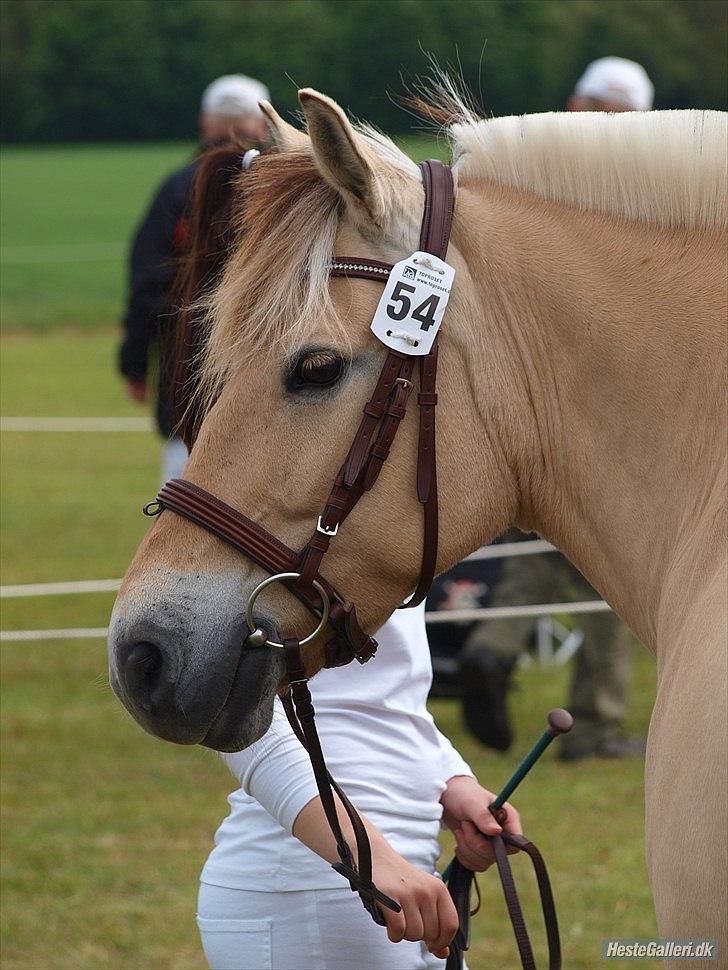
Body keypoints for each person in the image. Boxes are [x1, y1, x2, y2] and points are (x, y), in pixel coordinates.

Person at [171, 145, 523, 970]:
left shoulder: (360, 482)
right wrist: (365, 857)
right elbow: (241, 719)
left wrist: (453, 784)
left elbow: (389, 691)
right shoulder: (247, 478)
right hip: (314, 881)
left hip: (385, 878)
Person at [460, 58, 654, 761]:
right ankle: (596, 723)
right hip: (610, 406)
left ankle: (492, 644)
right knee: (614, 565)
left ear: (576, 103)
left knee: (538, 550)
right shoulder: (633, 196)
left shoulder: (525, 178)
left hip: (524, 395)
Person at [118, 74, 270, 483]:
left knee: (182, 515)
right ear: (264, 124)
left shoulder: (175, 190)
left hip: (187, 384)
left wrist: (134, 363)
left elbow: (147, 286)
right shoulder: (288, 187)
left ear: (205, 123)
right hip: (278, 382)